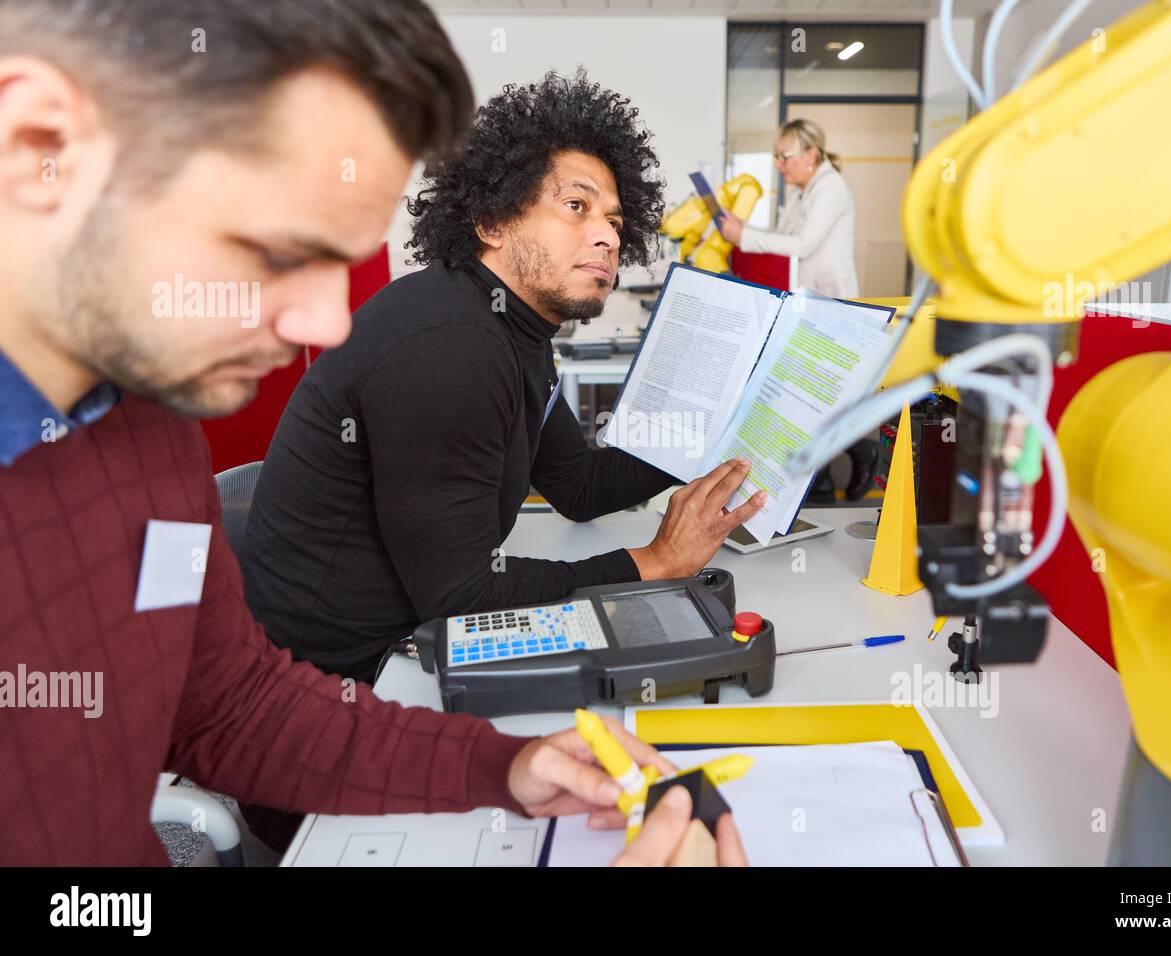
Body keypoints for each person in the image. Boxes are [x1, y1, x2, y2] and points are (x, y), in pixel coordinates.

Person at [0, 0, 741, 867]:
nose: (326, 318)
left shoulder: (148, 429)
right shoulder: (447, 344)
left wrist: (509, 767)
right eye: (281, 248)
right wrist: (648, 565)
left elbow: (229, 709)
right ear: (39, 146)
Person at [239, 71, 767, 688]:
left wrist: (709, 425)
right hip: (331, 681)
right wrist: (653, 562)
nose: (606, 236)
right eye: (576, 207)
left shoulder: (514, 331)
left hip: (396, 642)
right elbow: (463, 600)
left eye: (617, 222)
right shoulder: (449, 347)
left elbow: (576, 485)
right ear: (492, 221)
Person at [721, 118, 874, 502]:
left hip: (834, 303)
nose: (779, 164)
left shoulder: (831, 188)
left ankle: (850, 458)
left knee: (821, 392)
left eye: (784, 156)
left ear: (811, 153)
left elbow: (803, 245)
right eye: (775, 156)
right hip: (810, 302)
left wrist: (746, 237)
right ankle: (830, 468)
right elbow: (783, 238)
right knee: (807, 392)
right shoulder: (804, 191)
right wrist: (745, 230)